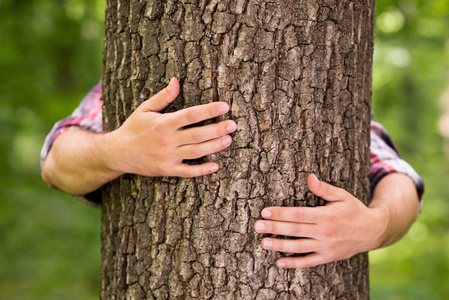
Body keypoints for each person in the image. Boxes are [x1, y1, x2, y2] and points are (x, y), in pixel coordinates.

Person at [41, 78, 424, 268]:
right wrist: (119, 150)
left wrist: (375, 225)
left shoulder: (330, 86)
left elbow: (396, 176)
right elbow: (57, 162)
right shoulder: (135, 80)